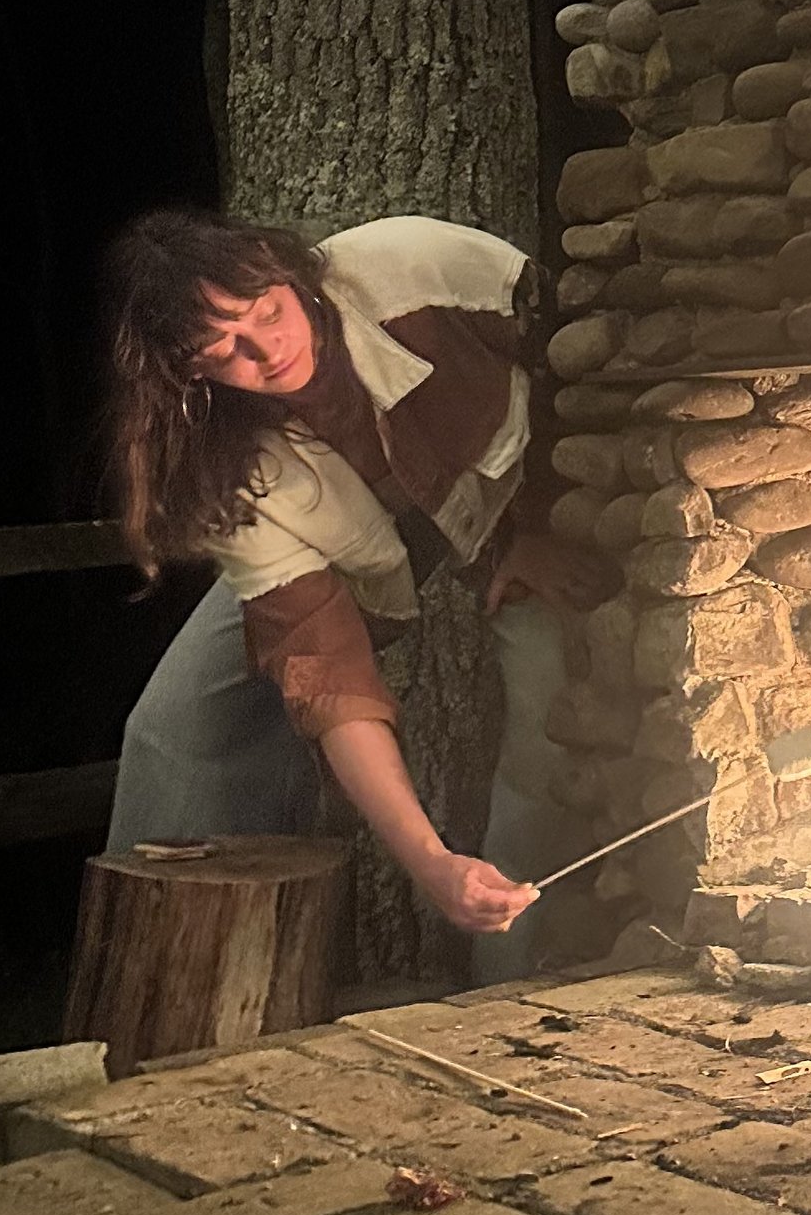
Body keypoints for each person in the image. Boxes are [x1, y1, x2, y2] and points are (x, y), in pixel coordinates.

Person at [102, 208, 603, 978]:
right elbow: (329, 675)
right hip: (353, 540)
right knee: (176, 725)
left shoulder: (420, 269)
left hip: (508, 499)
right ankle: (166, 981)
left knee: (548, 700)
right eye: (224, 349)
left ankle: (510, 980)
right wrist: (431, 863)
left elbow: (580, 362)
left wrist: (535, 523)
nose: (267, 349)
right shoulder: (230, 474)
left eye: (267, 311)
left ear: (280, 268)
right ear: (189, 371)